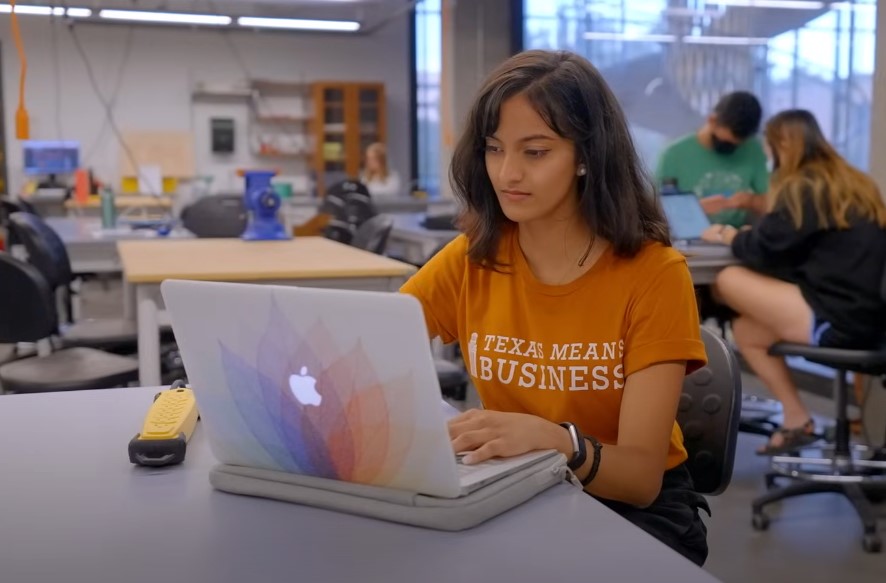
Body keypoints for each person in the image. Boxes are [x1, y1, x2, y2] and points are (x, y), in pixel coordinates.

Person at [400, 50, 710, 565]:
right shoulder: (472, 257)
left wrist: (557, 441)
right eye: (495, 149)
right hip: (517, 486)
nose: (507, 172)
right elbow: (365, 349)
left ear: (586, 156)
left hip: (628, 510)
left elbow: (638, 478)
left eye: (536, 152)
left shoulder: (655, 274)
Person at [700, 109, 886, 455]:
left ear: (783, 144)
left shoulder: (803, 186)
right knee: (748, 331)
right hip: (868, 315)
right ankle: (797, 418)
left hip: (839, 320)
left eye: (771, 148)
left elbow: (765, 248)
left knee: (728, 279)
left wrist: (726, 234)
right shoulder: (852, 181)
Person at [656, 91, 770, 228]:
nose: (732, 149)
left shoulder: (753, 149)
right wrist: (696, 209)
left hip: (735, 239)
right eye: (726, 143)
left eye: (738, 145)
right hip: (688, 238)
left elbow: (772, 203)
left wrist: (751, 201)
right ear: (712, 120)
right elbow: (657, 211)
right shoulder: (673, 155)